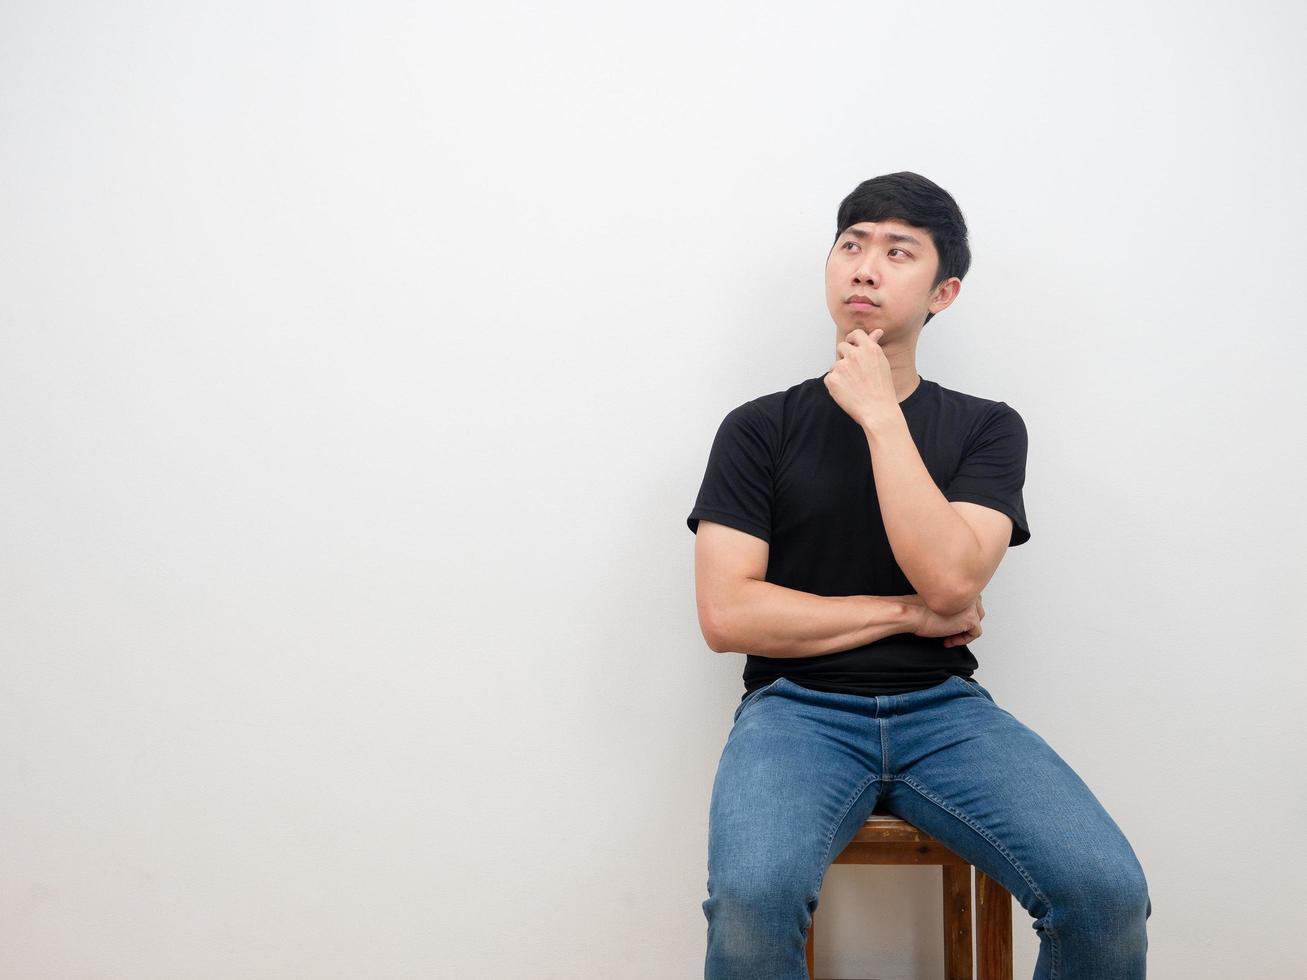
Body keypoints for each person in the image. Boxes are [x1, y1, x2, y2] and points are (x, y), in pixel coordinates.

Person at [686, 172, 1151, 979]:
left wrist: (877, 414)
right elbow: (729, 616)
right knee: (751, 904)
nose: (864, 267)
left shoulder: (986, 428)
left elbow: (949, 582)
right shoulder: (758, 428)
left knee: (1104, 895)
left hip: (945, 714)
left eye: (896, 252)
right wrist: (905, 616)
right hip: (793, 712)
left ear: (943, 292)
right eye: (850, 245)